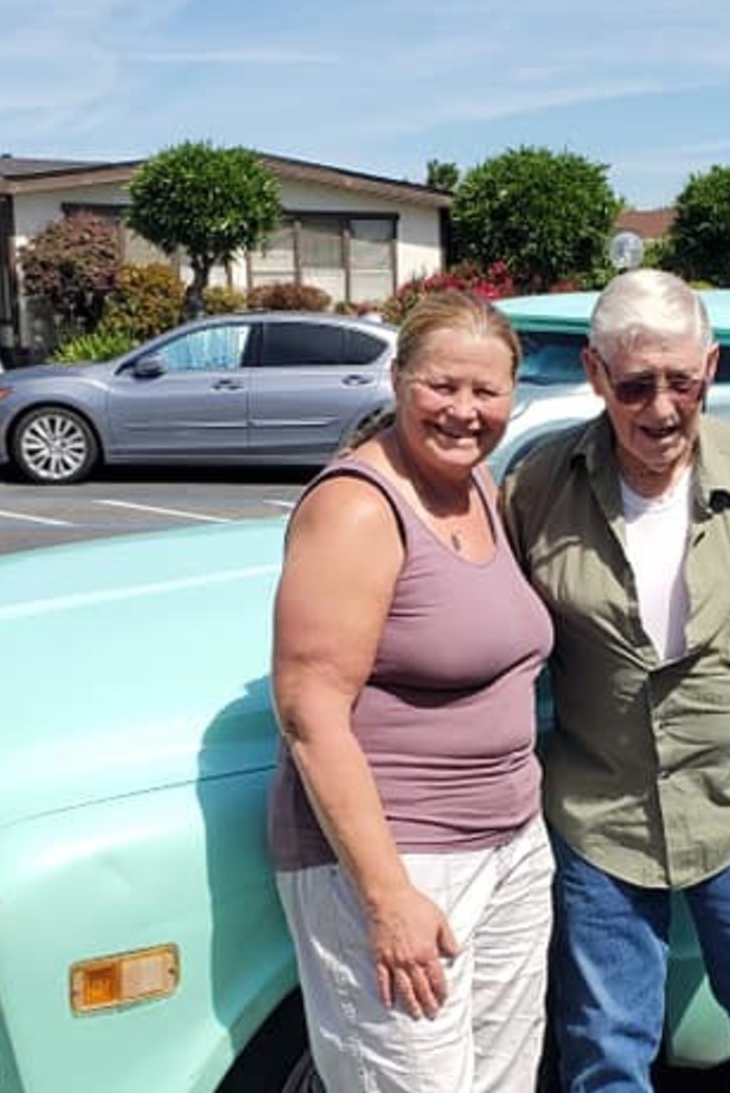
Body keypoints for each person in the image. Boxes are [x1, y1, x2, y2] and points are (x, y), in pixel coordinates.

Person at [502, 269, 730, 1093]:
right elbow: (489, 628)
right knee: (602, 1047)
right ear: (597, 376)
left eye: (681, 382)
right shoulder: (536, 486)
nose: (661, 409)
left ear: (712, 367)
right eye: (634, 386)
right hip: (600, 812)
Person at [267, 290, 555, 1092]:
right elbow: (309, 710)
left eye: (487, 391)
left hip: (509, 845)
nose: (464, 411)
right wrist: (387, 896)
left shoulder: (481, 491)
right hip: (402, 857)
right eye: (442, 385)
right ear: (397, 380)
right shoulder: (358, 507)